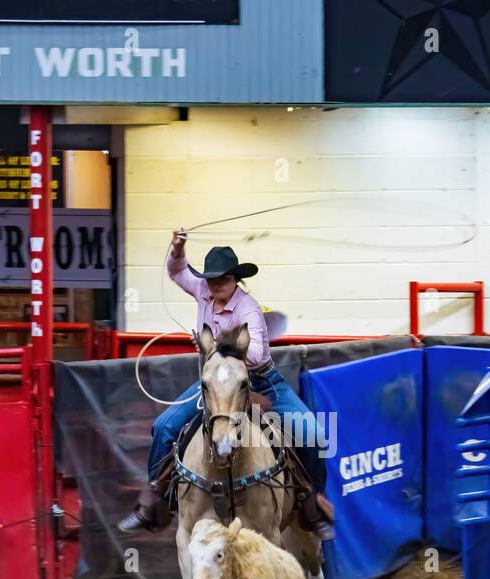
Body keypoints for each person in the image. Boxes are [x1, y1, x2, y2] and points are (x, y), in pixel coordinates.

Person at [117, 228, 333, 540]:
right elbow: (177, 271)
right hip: (216, 381)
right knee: (164, 427)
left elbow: (256, 353)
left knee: (311, 432)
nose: (216, 284)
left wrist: (219, 343)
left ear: (235, 279)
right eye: (212, 278)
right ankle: (155, 499)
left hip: (259, 379)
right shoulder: (203, 289)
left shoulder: (248, 308)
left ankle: (311, 502)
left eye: (223, 278)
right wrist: (178, 247)